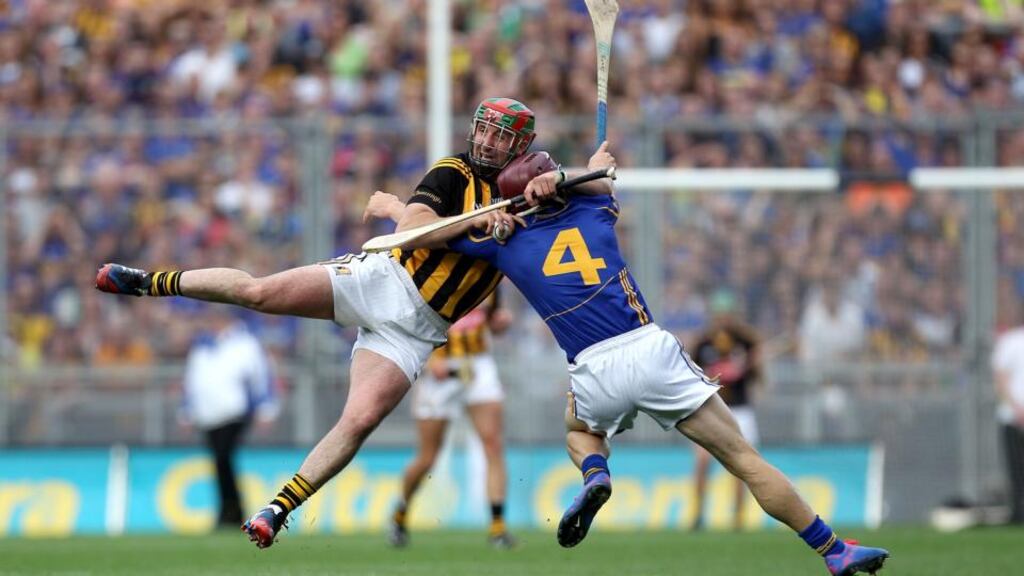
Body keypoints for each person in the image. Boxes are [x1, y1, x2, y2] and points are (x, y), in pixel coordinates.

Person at [93, 97, 608, 549]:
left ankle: (276, 510)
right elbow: (409, 231)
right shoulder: (453, 170)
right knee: (260, 292)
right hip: (382, 280)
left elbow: (602, 184)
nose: (489, 141)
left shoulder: (532, 200)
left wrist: (565, 176)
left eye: (502, 135)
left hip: (417, 331)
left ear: (522, 146)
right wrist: (471, 220)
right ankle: (150, 281)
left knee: (359, 421)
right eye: (485, 128)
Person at [364, 142, 889, 576]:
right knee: (745, 461)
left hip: (591, 368)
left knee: (577, 431)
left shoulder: (503, 242)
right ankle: (832, 550)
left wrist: (395, 208)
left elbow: (429, 235)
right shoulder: (595, 209)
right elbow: (605, 178)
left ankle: (595, 473)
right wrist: (575, 172)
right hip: (648, 348)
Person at [388, 290, 516, 548]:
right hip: (440, 374)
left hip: (477, 367)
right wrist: (428, 360)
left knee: (493, 445)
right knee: (428, 458)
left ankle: (498, 527)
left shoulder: (489, 275)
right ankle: (400, 513)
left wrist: (500, 323)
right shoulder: (431, 275)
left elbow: (490, 320)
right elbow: (407, 324)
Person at [179, 305, 279, 529]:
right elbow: (193, 383)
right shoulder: (203, 347)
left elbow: (260, 377)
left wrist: (266, 407)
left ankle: (231, 512)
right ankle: (230, 510)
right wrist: (187, 411)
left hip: (234, 413)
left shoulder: (245, 344)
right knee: (220, 463)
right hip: (208, 416)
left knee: (223, 459)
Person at [688, 289, 761, 531]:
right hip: (710, 410)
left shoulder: (747, 342)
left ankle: (738, 518)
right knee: (701, 461)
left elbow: (758, 376)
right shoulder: (703, 344)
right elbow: (691, 376)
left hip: (740, 409)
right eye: (719, 315)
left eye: (727, 315)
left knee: (742, 464)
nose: (723, 320)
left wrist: (744, 369)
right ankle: (698, 514)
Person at [992, 323, 1024, 525]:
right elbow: (1001, 378)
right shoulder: (1011, 340)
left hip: (1015, 415)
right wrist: (1017, 409)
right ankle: (1019, 511)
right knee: (1017, 470)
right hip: (1012, 417)